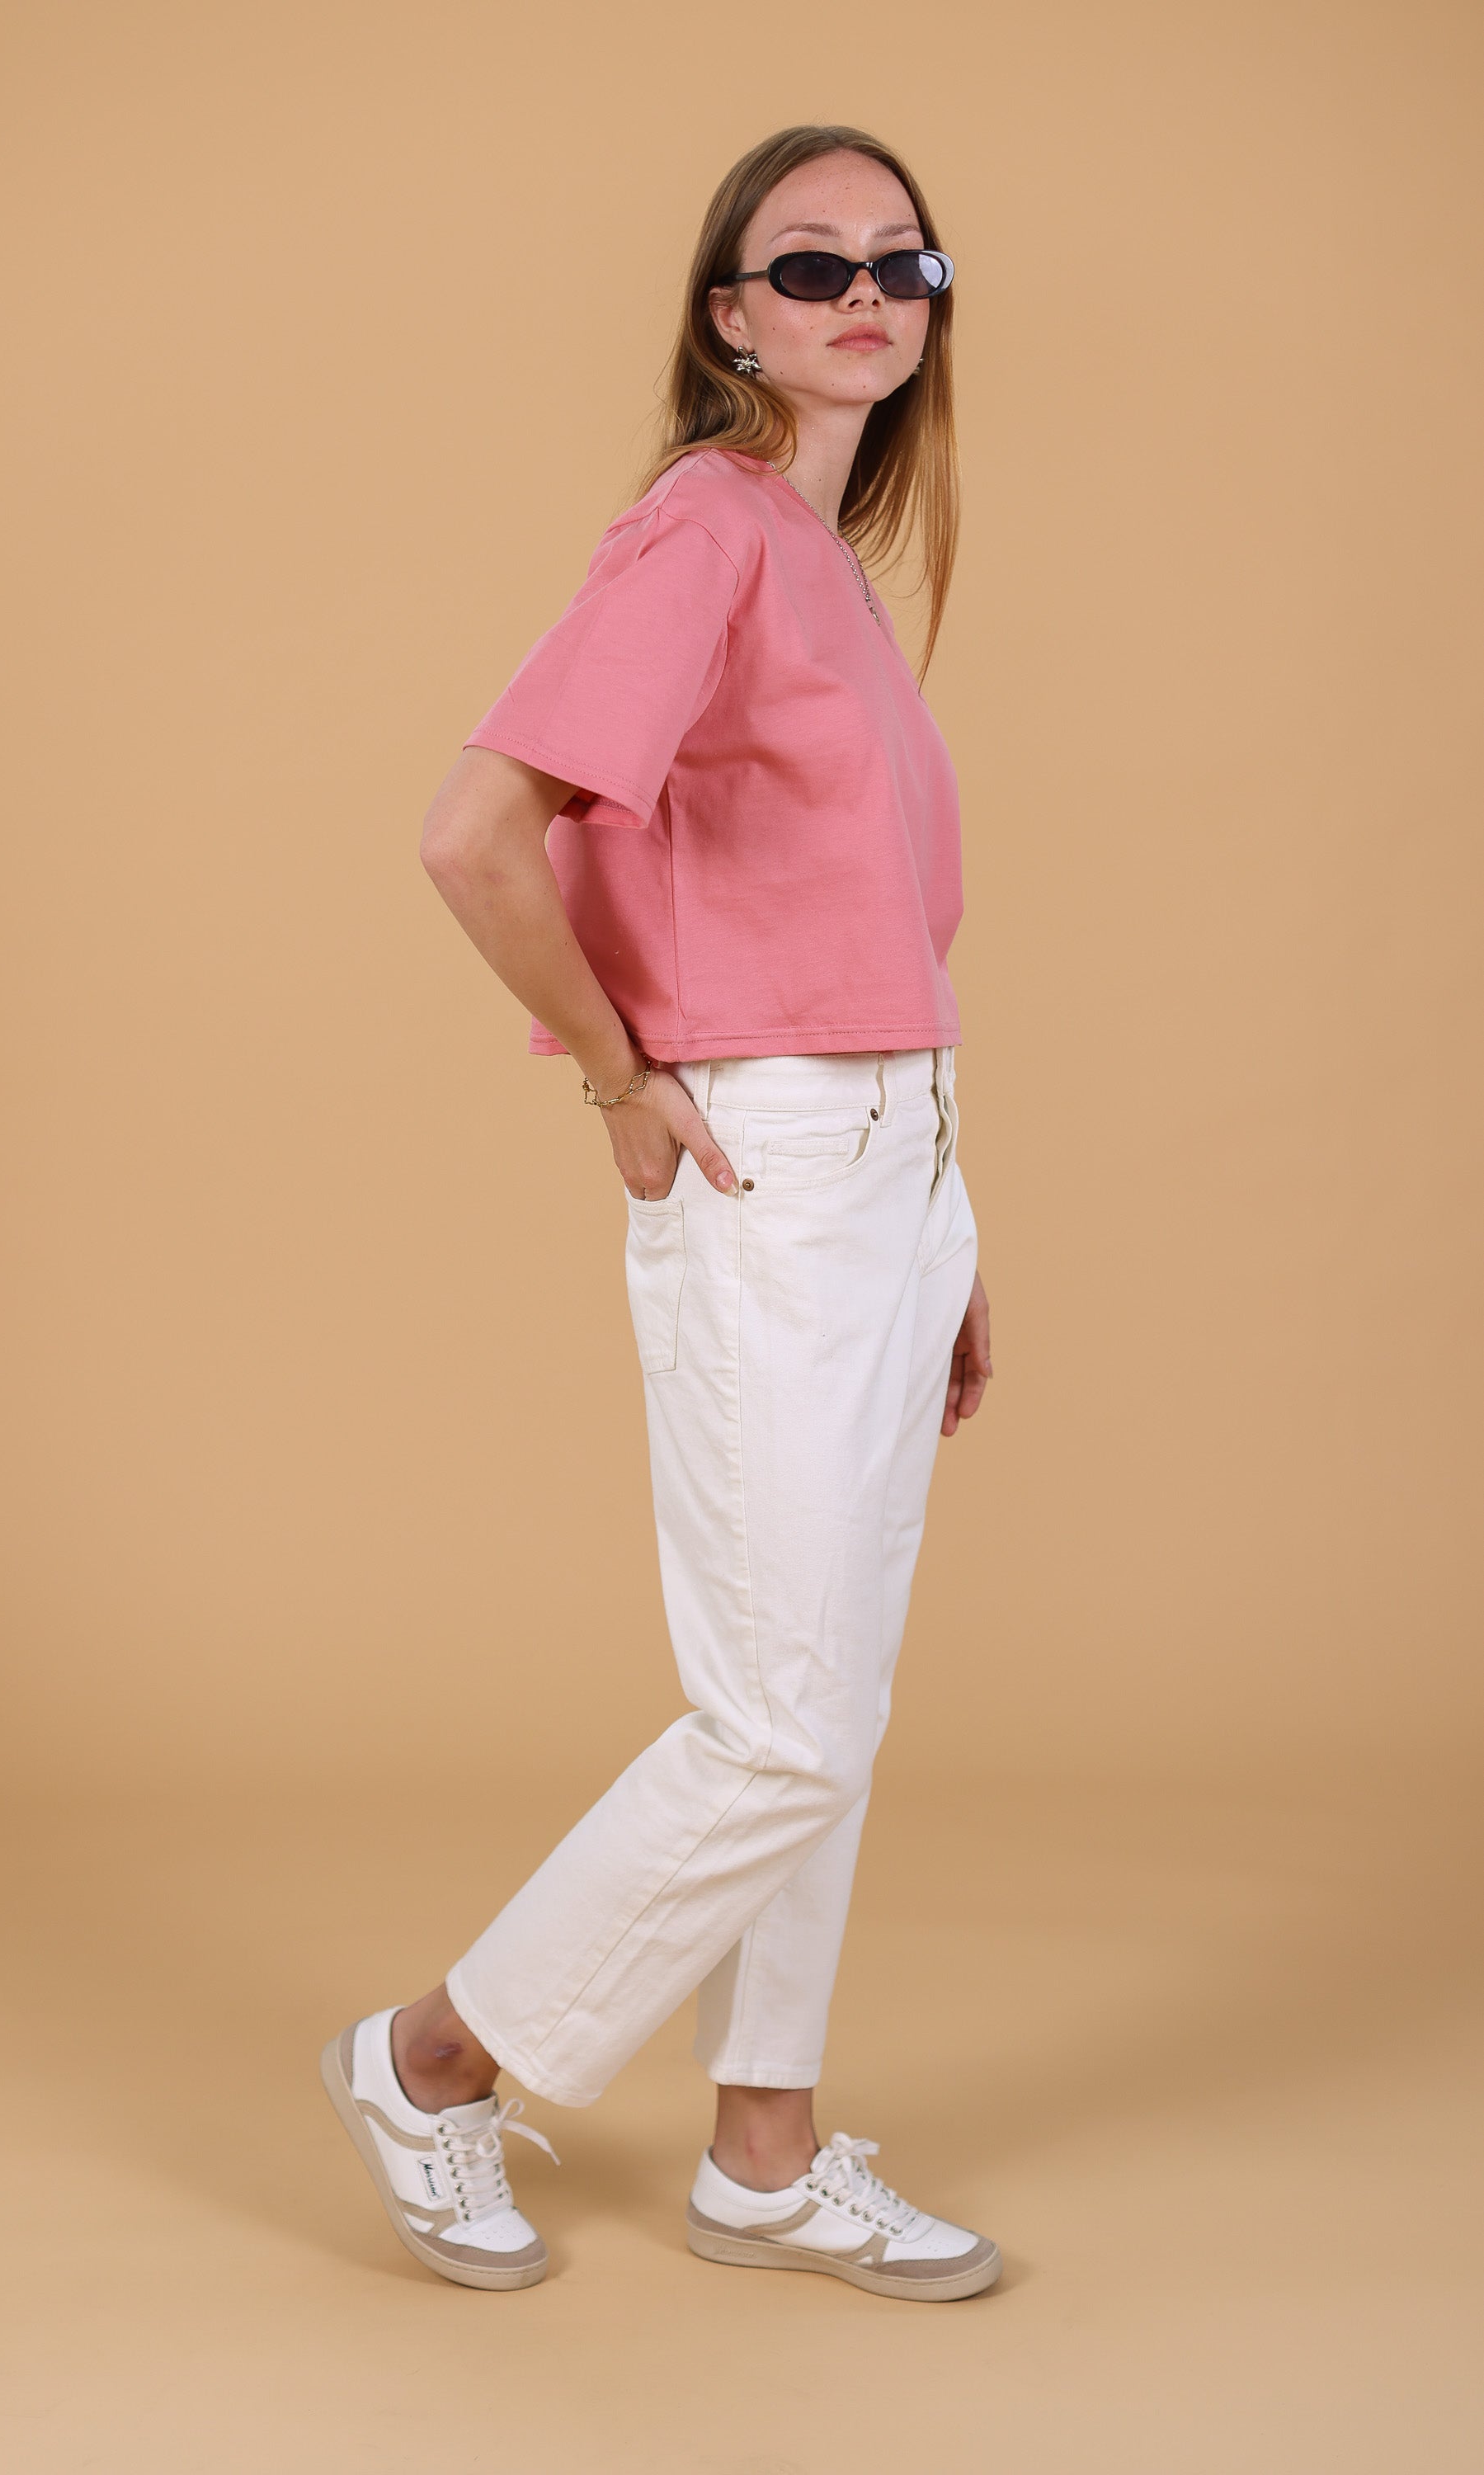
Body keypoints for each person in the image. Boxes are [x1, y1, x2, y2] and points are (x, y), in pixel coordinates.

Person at [322, 123, 1000, 2303]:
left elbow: (858, 925)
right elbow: (474, 832)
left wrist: (949, 1232)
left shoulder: (822, 557)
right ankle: (434, 2059)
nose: (864, 297)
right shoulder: (706, 527)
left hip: (891, 1166)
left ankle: (763, 2157)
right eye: (810, 266)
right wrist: (621, 1077)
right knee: (779, 1715)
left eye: (902, 262)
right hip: (774, 1170)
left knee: (836, 1705)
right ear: (728, 315)